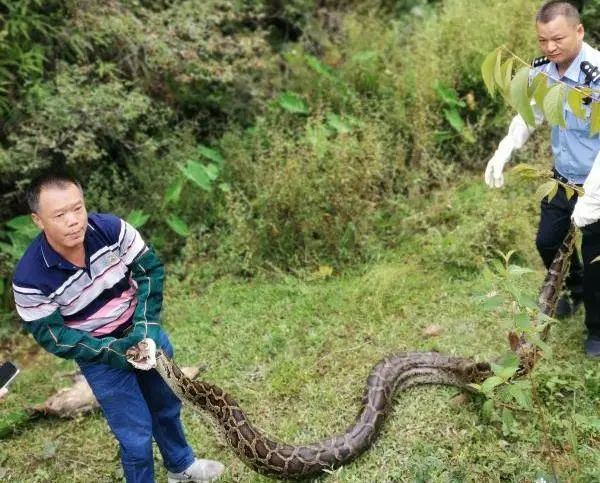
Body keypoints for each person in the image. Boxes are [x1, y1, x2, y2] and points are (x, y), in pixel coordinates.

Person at [12, 171, 224, 482]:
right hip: (100, 355)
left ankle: (182, 468)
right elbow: (54, 336)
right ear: (38, 220)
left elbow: (150, 271)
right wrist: (112, 351)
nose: (73, 220)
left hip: (143, 331)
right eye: (60, 214)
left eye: (78, 208)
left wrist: (146, 327)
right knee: (135, 437)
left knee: (166, 406)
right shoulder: (29, 277)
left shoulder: (110, 229)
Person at [484, 0, 600, 356]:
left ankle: (597, 330)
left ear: (579, 31)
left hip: (597, 183)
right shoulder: (543, 71)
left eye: (558, 39)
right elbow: (529, 113)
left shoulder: (596, 77)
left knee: (597, 259)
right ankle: (573, 289)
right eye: (542, 41)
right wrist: (504, 149)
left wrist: (592, 197)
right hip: (562, 179)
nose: (550, 48)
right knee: (547, 241)